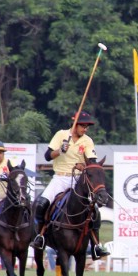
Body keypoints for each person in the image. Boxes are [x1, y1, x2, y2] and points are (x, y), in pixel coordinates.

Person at [32, 111, 109, 258]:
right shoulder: (61, 135)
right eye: (83, 126)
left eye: (87, 126)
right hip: (60, 178)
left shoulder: (87, 141)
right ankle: (40, 236)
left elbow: (92, 161)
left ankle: (96, 246)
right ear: (75, 124)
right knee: (41, 203)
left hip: (79, 180)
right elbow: (47, 156)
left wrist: (84, 167)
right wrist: (60, 150)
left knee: (95, 212)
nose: (85, 129)